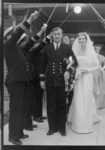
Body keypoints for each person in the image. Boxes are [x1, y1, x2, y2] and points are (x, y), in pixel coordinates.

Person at [4, 11, 40, 145]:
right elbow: (18, 34)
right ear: (8, 36)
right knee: (16, 110)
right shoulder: (8, 46)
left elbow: (30, 44)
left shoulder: (17, 48)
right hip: (15, 82)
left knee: (21, 108)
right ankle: (12, 136)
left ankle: (19, 133)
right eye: (12, 33)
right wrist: (30, 19)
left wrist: (41, 32)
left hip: (22, 81)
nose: (15, 34)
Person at [40, 27, 77, 136]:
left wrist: (69, 71)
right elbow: (42, 65)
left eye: (58, 34)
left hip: (62, 81)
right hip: (50, 81)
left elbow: (74, 62)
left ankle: (62, 128)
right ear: (52, 36)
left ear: (62, 35)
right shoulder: (47, 48)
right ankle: (52, 127)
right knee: (51, 105)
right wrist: (42, 79)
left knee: (62, 105)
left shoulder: (67, 48)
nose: (56, 36)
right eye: (54, 34)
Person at [68, 32, 102, 133]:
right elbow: (72, 64)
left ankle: (86, 124)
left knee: (86, 99)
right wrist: (76, 70)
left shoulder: (91, 52)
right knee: (78, 98)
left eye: (83, 39)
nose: (81, 40)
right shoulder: (74, 51)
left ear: (86, 40)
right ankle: (77, 124)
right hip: (78, 77)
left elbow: (98, 66)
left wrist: (88, 70)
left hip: (87, 77)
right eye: (79, 39)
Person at [94, 44, 105, 109]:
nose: (98, 50)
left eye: (99, 49)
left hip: (101, 72)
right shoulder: (92, 56)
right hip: (94, 72)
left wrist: (101, 69)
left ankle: (101, 104)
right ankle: (94, 103)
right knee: (95, 87)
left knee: (102, 87)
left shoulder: (102, 57)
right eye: (96, 49)